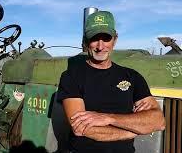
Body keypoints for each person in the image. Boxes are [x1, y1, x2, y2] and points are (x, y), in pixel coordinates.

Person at [57, 11, 165, 153]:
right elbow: (81, 129)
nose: (100, 46)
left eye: (106, 38)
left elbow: (158, 121)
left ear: (115, 39)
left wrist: (108, 118)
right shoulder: (71, 77)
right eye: (94, 39)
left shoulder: (132, 77)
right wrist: (133, 131)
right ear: (85, 41)